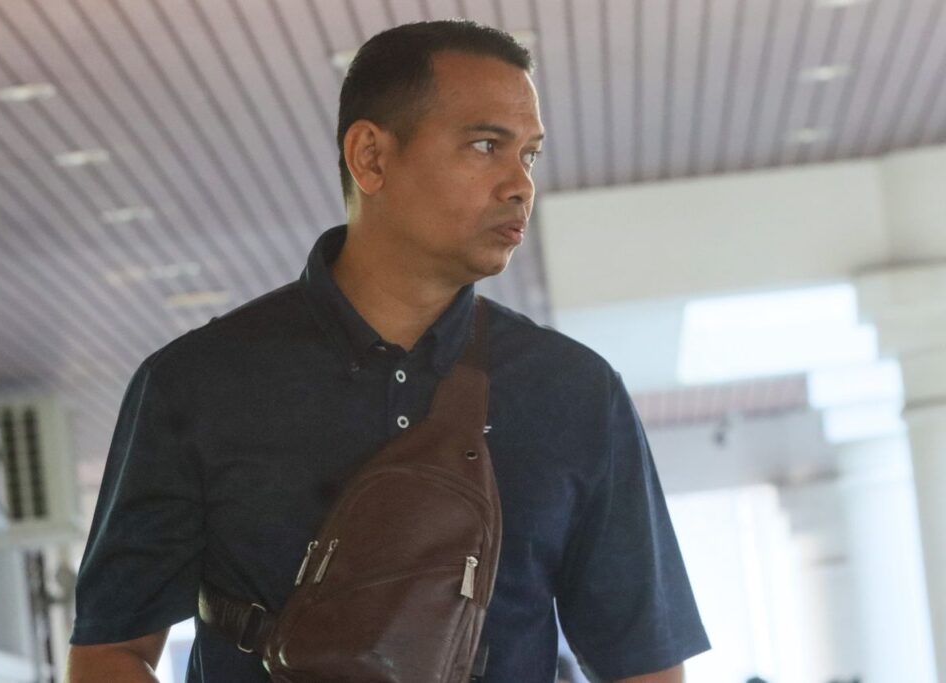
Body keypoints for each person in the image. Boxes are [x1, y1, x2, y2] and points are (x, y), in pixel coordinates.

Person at [66, 19, 709, 683]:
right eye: (485, 145)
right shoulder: (198, 384)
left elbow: (646, 666)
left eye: (530, 155)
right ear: (370, 157)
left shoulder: (574, 393)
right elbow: (109, 652)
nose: (519, 183)